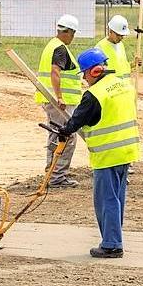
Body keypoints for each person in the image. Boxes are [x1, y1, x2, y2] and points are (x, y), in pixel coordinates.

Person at [51, 46, 139, 258]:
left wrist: (63, 130)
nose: (85, 81)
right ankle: (114, 237)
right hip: (127, 151)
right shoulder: (124, 85)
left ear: (93, 72)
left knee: (106, 200)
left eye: (85, 76)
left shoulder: (94, 94)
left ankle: (111, 244)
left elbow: (77, 121)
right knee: (117, 198)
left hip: (107, 154)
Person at [36, 14, 82, 187]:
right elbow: (55, 72)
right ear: (68, 32)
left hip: (52, 99)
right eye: (73, 33)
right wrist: (60, 97)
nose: (73, 37)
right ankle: (57, 177)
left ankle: (52, 173)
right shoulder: (60, 48)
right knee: (67, 136)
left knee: (57, 134)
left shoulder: (52, 45)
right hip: (59, 101)